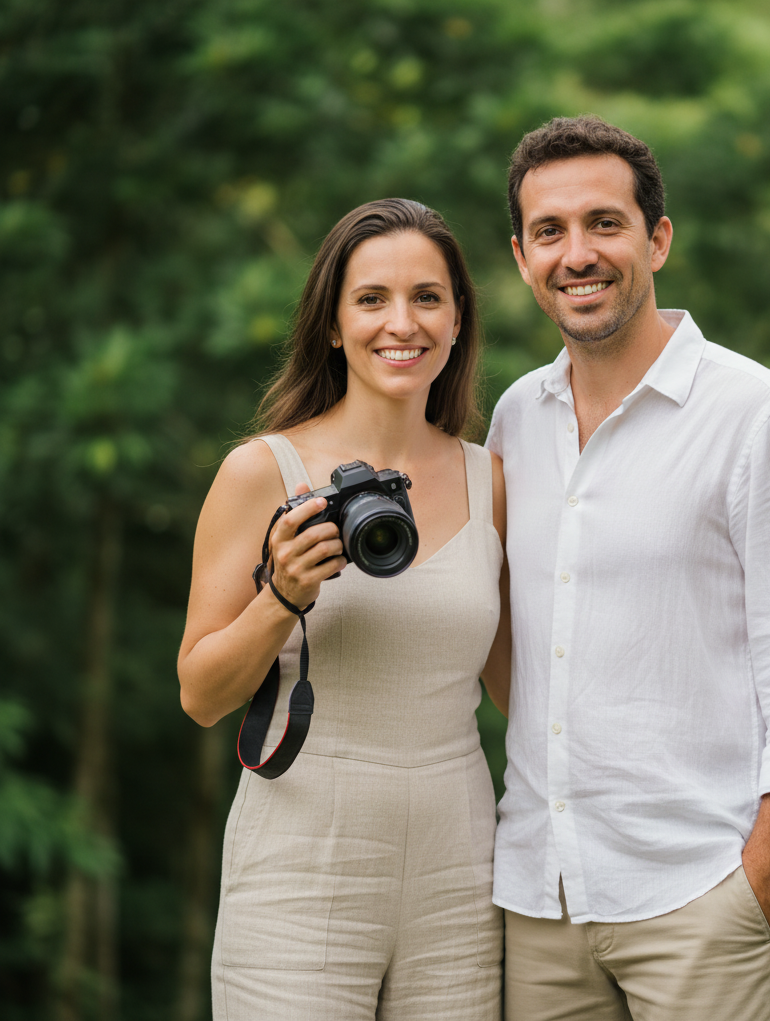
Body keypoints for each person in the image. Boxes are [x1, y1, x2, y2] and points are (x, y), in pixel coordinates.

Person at [485, 116, 770, 1021]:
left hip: (704, 896)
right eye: (550, 232)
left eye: (604, 224)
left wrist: (761, 878)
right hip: (543, 896)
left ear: (657, 238)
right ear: (521, 256)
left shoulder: (758, 414)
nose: (577, 254)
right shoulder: (514, 418)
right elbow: (515, 642)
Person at [177, 198, 510, 1021]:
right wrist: (280, 598)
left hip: (459, 869)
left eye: (428, 297)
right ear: (332, 323)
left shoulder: (492, 480)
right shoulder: (263, 472)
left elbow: (529, 694)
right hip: (299, 865)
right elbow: (202, 696)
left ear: (459, 319)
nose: (403, 322)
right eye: (372, 299)